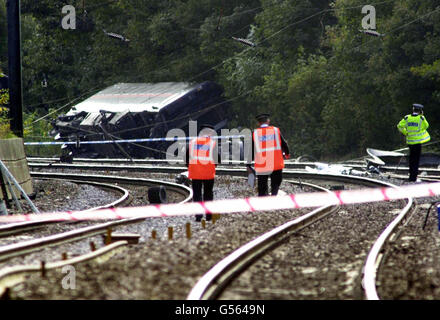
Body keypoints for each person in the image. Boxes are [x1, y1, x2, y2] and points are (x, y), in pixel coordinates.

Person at [247, 113, 290, 196]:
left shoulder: (255, 133)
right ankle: (273, 196)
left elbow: (251, 149)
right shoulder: (275, 130)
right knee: (276, 183)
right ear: (268, 121)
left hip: (262, 164)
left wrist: (248, 164)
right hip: (276, 163)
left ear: (258, 123)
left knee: (262, 185)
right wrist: (287, 154)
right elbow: (284, 144)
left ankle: (263, 201)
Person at [186, 124, 219, 221]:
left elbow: (186, 158)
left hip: (195, 173)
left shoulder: (192, 142)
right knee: (208, 193)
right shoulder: (212, 143)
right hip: (208, 173)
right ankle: (209, 216)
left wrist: (190, 167)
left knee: (197, 194)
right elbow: (218, 158)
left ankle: (198, 215)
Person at [397, 103, 430, 182]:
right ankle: (414, 177)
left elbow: (399, 126)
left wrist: (406, 133)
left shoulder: (407, 118)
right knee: (416, 160)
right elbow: (426, 126)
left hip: (410, 142)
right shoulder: (421, 118)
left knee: (411, 160)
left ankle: (411, 177)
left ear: (413, 109)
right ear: (420, 111)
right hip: (418, 143)